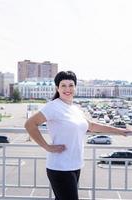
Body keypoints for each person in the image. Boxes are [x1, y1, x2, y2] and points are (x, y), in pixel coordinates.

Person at [25, 70, 132, 200]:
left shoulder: (75, 109)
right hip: (60, 167)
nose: (67, 89)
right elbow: (30, 124)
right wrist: (47, 147)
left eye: (71, 85)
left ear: (75, 87)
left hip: (75, 165)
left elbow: (91, 126)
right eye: (63, 85)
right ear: (57, 88)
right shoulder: (53, 107)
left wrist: (119, 131)